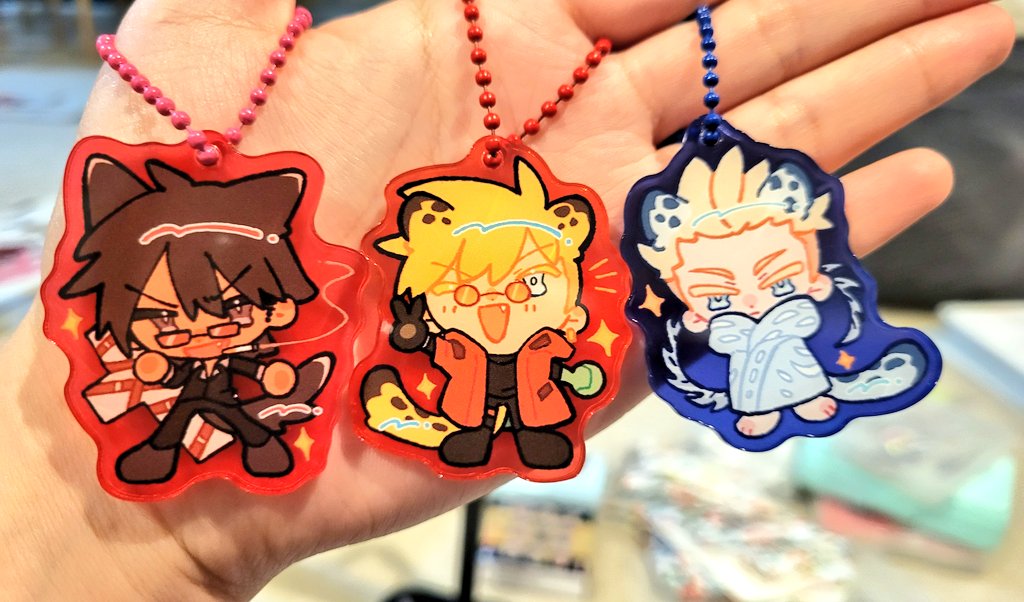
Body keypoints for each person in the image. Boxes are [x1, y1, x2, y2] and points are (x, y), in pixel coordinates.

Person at [0, 0, 1013, 598]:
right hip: (250, 405)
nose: (213, 320)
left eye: (528, 283)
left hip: (506, 387)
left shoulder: (567, 306)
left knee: (515, 390)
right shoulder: (366, 313)